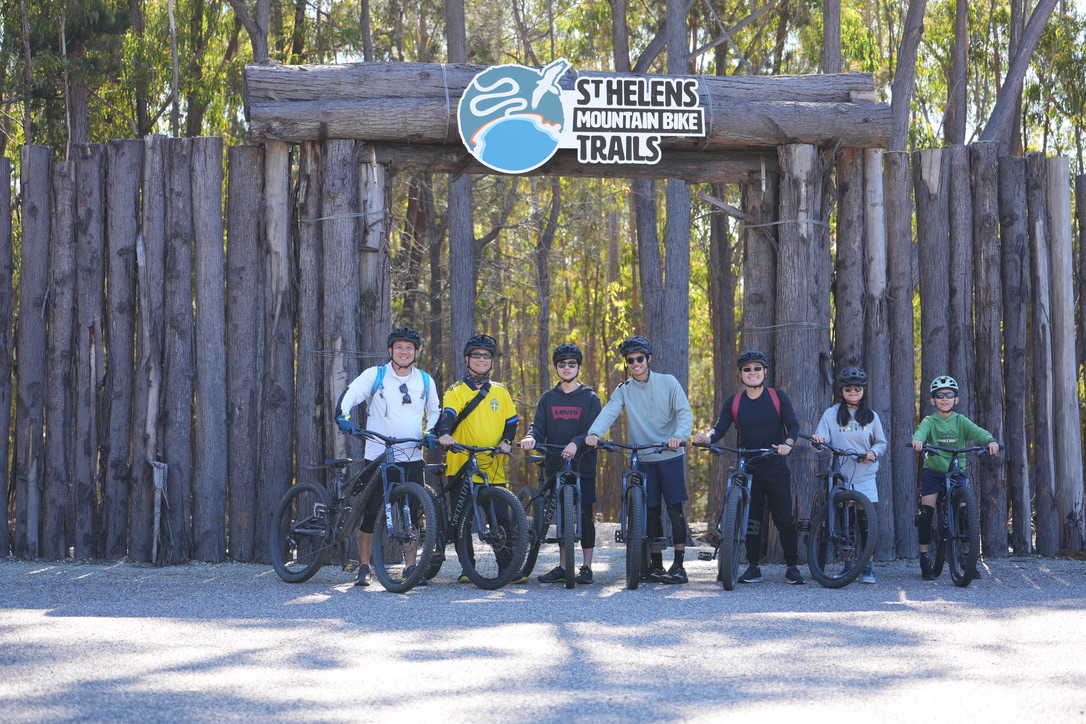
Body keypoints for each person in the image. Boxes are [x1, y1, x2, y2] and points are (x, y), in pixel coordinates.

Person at [335, 327, 441, 587]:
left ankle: (410, 566)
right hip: (378, 455)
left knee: (413, 514)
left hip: (413, 454)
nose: (404, 351)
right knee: (371, 513)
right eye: (399, 347)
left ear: (416, 352)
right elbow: (352, 393)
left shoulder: (425, 380)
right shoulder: (376, 375)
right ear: (390, 351)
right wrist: (343, 415)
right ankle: (363, 566)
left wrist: (430, 432)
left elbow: (435, 411)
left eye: (409, 348)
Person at [584, 335, 693, 584]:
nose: (635, 363)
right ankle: (655, 566)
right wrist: (594, 433)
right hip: (642, 458)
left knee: (675, 509)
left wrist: (678, 435)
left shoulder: (668, 382)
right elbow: (609, 412)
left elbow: (684, 412)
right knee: (651, 511)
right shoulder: (624, 390)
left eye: (639, 358)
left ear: (649, 358)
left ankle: (679, 566)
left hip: (669, 455)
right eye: (630, 360)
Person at [693, 349, 805, 585]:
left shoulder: (777, 397)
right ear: (741, 375)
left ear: (764, 371)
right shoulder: (734, 402)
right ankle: (753, 567)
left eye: (757, 368)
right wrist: (707, 439)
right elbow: (719, 429)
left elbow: (793, 426)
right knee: (750, 519)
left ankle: (792, 567)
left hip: (774, 464)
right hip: (747, 467)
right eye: (747, 369)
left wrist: (787, 444)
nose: (752, 372)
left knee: (783, 517)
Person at [436, 333, 519, 583]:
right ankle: (467, 569)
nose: (482, 360)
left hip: (492, 464)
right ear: (467, 359)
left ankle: (507, 568)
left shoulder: (501, 391)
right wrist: (445, 435)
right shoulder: (456, 390)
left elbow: (512, 422)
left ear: (492, 361)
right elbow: (448, 415)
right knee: (462, 520)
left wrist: (506, 442)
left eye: (487, 356)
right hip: (462, 462)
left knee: (500, 519)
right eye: (477, 355)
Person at [520, 343, 602, 585]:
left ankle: (586, 567)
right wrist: (530, 437)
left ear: (578, 367)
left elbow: (593, 430)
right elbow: (538, 426)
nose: (567, 368)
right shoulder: (548, 398)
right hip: (556, 465)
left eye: (572, 364)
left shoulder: (590, 397)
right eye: (562, 364)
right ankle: (564, 566)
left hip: (583, 465)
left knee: (585, 516)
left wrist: (577, 443)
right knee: (563, 517)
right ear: (556, 367)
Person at [911, 375, 999, 580]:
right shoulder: (930, 421)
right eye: (940, 396)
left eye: (949, 395)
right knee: (926, 513)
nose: (945, 399)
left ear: (956, 400)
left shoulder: (961, 420)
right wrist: (917, 440)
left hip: (956, 471)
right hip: (934, 471)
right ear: (933, 401)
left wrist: (991, 440)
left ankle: (967, 557)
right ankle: (924, 556)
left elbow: (978, 432)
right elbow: (921, 432)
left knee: (964, 513)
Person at [810, 366, 887, 584]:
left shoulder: (872, 417)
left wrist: (873, 452)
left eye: (858, 388)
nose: (853, 392)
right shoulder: (831, 414)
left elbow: (881, 442)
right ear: (842, 390)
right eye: (849, 388)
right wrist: (818, 440)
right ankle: (848, 565)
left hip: (865, 475)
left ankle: (868, 566)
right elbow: (820, 442)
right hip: (841, 477)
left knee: (866, 523)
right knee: (846, 524)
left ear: (864, 390)